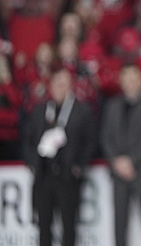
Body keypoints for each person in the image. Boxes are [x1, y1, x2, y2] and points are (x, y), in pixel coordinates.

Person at [22, 67, 97, 246]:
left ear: (70, 86)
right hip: (44, 176)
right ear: (50, 86)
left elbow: (91, 141)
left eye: (64, 84)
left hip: (67, 177)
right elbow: (28, 139)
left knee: (68, 225)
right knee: (44, 225)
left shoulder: (82, 111)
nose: (60, 88)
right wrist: (33, 163)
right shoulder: (40, 111)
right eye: (56, 84)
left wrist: (79, 165)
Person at [101, 64, 141, 246]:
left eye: (134, 78)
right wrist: (116, 161)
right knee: (119, 224)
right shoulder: (112, 106)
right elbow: (106, 137)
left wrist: (131, 160)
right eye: (126, 78)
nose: (130, 82)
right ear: (121, 81)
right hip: (118, 174)